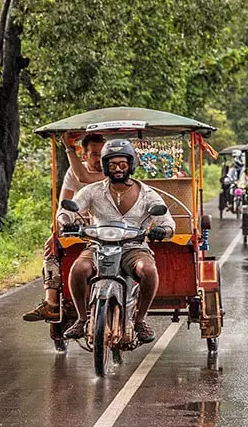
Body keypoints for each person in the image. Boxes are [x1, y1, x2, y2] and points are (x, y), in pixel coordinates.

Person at [59, 139, 175, 343]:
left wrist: (162, 230)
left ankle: (140, 320)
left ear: (131, 165)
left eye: (123, 164)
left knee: (148, 270)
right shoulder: (92, 191)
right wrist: (66, 221)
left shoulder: (147, 194)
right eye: (112, 165)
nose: (118, 169)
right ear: (105, 166)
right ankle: (81, 319)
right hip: (97, 246)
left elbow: (167, 222)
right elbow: (68, 209)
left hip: (134, 248)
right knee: (78, 269)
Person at [22, 132, 105, 322]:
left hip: (108, 228)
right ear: (84, 155)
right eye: (94, 154)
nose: (99, 159)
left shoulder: (112, 171)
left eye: (102, 154)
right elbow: (64, 204)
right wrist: (60, 228)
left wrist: (68, 148)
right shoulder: (74, 172)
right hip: (82, 227)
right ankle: (51, 302)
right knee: (52, 247)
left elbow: (83, 177)